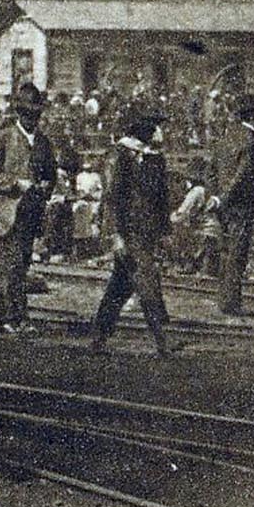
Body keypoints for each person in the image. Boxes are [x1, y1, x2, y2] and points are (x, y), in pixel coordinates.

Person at [91, 113, 179, 354]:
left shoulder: (155, 159)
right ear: (145, 132)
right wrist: (116, 235)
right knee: (148, 280)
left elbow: (162, 199)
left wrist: (165, 232)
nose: (162, 133)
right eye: (157, 129)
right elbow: (112, 199)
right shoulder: (118, 156)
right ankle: (163, 339)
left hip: (147, 233)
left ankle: (99, 335)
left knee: (119, 286)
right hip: (129, 231)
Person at [0, 82, 58, 334]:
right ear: (19, 114)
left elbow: (51, 174)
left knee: (18, 268)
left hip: (30, 215)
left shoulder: (44, 143)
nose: (32, 119)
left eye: (36, 114)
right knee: (11, 268)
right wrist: (16, 184)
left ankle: (2, 318)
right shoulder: (2, 138)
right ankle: (16, 319)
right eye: (27, 114)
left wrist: (46, 186)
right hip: (5, 214)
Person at [207, 92, 254, 315]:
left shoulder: (225, 136)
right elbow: (242, 176)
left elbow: (211, 170)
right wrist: (224, 197)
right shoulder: (251, 141)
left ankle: (224, 300)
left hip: (222, 206)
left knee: (225, 251)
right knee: (237, 253)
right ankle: (231, 303)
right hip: (241, 206)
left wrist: (216, 198)